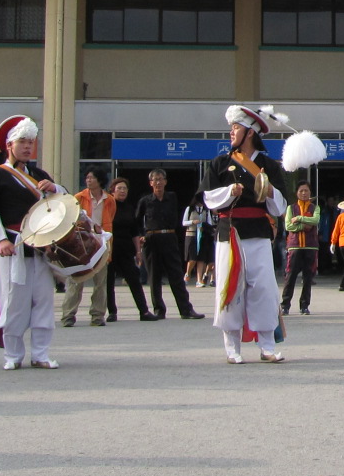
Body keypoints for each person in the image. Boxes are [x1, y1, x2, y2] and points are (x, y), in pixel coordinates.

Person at [201, 104, 289, 363]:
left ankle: (267, 346)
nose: (231, 132)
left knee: (263, 287)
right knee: (230, 287)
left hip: (259, 233)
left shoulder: (269, 166)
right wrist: (230, 192)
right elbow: (207, 198)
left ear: (250, 132)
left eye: (236, 128)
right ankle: (232, 348)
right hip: (229, 232)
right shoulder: (220, 163)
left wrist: (269, 190)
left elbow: (281, 205)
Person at [0, 115, 66, 370]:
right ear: (10, 145)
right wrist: (1, 240)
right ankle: (13, 355)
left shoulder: (40, 175)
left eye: (31, 142)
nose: (28, 147)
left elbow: (60, 204)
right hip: (13, 247)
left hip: (42, 247)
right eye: (22, 142)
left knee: (43, 301)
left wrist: (55, 188)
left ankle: (41, 353)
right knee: (14, 302)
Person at [136, 170, 202, 320]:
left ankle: (186, 309)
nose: (158, 182)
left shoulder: (172, 197)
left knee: (176, 275)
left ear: (165, 181)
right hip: (152, 239)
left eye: (161, 179)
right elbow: (137, 220)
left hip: (169, 237)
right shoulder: (145, 201)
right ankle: (159, 309)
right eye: (155, 180)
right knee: (154, 277)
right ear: (150, 183)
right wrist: (141, 236)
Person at [63, 169, 114, 327]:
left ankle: (98, 316)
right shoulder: (78, 197)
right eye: (87, 177)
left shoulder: (109, 200)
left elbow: (109, 221)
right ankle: (68, 315)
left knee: (100, 283)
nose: (88, 180)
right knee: (76, 280)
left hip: (101, 244)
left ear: (100, 180)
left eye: (92, 177)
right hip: (82, 243)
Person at [105, 177, 156, 321]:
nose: (122, 191)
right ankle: (112, 312)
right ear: (112, 191)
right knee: (109, 282)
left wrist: (138, 251)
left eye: (125, 188)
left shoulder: (129, 207)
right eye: (119, 188)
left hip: (126, 249)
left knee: (134, 280)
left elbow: (134, 231)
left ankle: (144, 311)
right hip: (110, 249)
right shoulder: (108, 206)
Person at [281, 181, 321, 315]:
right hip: (295, 246)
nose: (304, 193)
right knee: (290, 276)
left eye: (306, 191)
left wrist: (298, 218)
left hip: (310, 246)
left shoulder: (315, 208)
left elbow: (315, 221)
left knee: (308, 278)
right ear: (297, 193)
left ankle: (304, 305)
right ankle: (285, 304)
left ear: (310, 193)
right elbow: (288, 226)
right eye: (301, 191)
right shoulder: (290, 208)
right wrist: (303, 226)